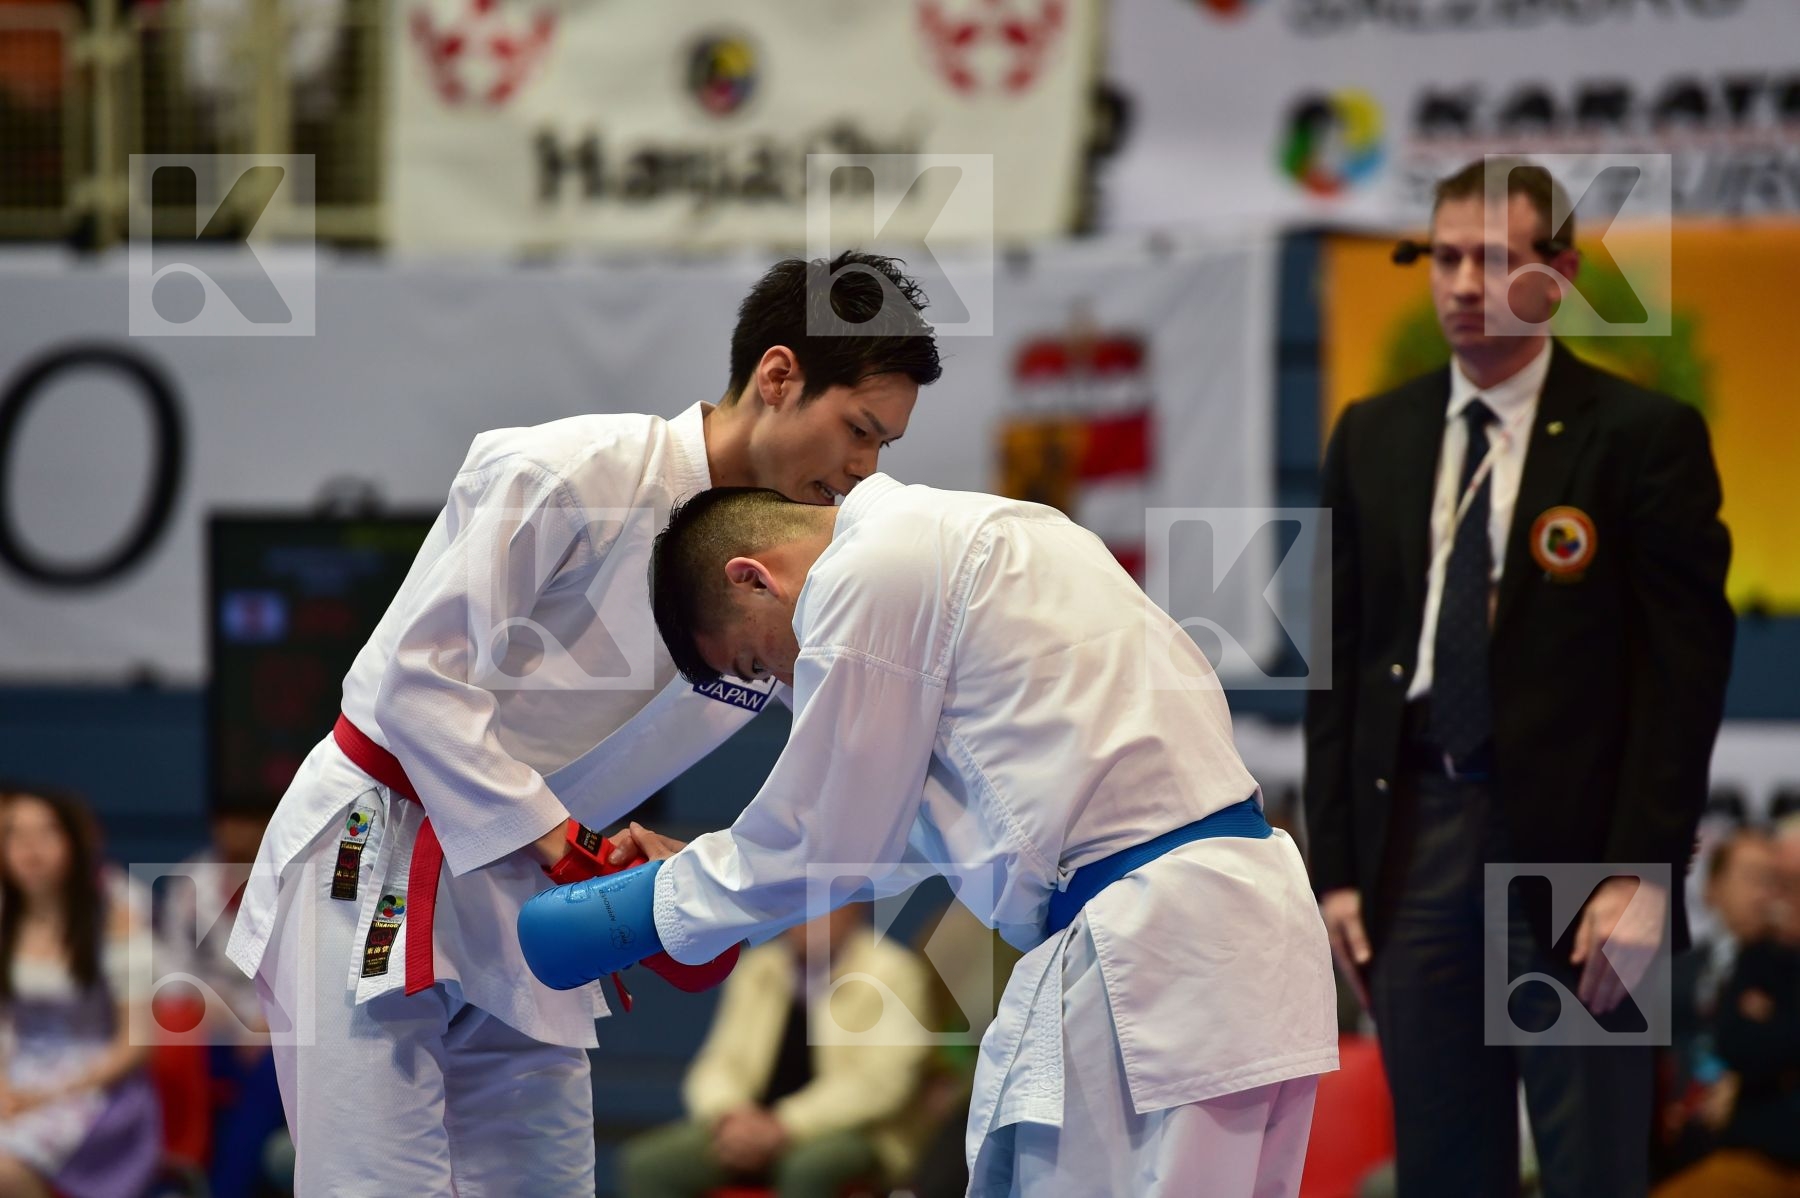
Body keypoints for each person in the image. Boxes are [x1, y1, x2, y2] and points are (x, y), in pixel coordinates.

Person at [225, 252, 942, 1195]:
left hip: (542, 889)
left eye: (885, 445)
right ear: (778, 377)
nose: (864, 468)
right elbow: (409, 682)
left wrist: (680, 873)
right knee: (374, 1182)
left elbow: (857, 759)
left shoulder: (803, 570)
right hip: (378, 854)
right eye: (858, 429)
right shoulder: (568, 474)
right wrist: (561, 838)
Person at [522, 479, 1340, 1197]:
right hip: (1246, 933)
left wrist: (636, 910)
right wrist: (700, 870)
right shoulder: (1008, 533)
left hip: (1164, 952)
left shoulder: (865, 573)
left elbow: (822, 836)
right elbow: (894, 832)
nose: (779, 681)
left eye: (753, 658)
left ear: (753, 577)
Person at [1304, 156, 1735, 1197]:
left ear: (1561, 269)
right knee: (1444, 1168)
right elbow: (1339, 663)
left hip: (1582, 846)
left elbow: (1685, 674)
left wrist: (1639, 872)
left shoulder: (1641, 438)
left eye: (1493, 258)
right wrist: (1342, 871)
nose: (1460, 282)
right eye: (1443, 256)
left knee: (1591, 1160)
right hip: (1417, 832)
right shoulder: (1375, 433)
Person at [617, 903, 933, 1198]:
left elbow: (881, 1085)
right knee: (648, 1164)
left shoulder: (894, 972)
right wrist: (730, 1117)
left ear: (855, 910)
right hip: (749, 1122)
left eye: (825, 905)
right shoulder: (760, 969)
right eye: (798, 905)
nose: (810, 918)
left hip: (853, 1131)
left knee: (808, 1168)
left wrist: (785, 1125)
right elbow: (718, 1063)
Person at [0, 785, 159, 1198]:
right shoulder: (5, 919)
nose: (29, 848)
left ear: (74, 841)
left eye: (46, 833)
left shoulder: (116, 915)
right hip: (17, 1079)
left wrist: (49, 1093)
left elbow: (134, 1043)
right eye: (14, 834)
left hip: (96, 1087)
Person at [1653, 820, 1800, 1198]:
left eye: (1781, 884)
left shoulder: (1771, 958)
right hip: (1699, 1138)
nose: (1770, 897)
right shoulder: (1678, 970)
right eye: (1761, 880)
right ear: (1712, 889)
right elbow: (1736, 1041)